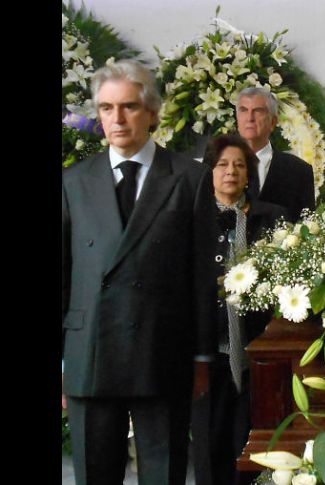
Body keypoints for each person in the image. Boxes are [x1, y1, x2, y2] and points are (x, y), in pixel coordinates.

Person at [62, 59, 219, 484]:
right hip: (90, 351)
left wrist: (202, 356)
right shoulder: (74, 182)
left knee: (164, 474)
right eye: (106, 108)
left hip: (162, 350)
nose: (117, 119)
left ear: (152, 112)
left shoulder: (190, 178)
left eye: (128, 106)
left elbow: (202, 277)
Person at [192, 134, 288, 485]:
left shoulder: (273, 218)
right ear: (210, 172)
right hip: (208, 352)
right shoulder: (194, 219)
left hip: (258, 351)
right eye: (222, 165)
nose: (230, 171)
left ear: (249, 174)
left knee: (253, 443)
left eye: (239, 165)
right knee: (210, 442)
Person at [235, 87, 315, 222]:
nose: (249, 118)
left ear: (272, 122)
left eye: (258, 111)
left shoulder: (299, 170)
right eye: (243, 110)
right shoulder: (216, 164)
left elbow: (307, 225)